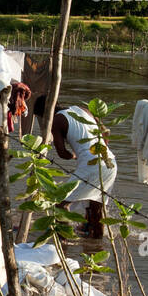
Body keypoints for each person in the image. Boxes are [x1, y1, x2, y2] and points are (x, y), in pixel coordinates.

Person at [48, 100, 117, 239]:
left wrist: (75, 155)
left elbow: (62, 153)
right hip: (110, 161)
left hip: (91, 165)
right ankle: (96, 244)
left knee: (60, 204)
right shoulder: (85, 110)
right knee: (96, 207)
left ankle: (64, 243)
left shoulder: (57, 120)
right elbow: (106, 133)